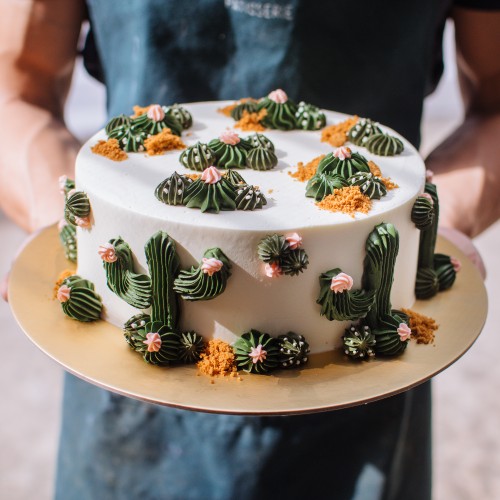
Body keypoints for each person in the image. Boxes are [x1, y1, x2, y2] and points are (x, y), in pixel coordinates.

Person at [0, 1, 499, 498]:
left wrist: (440, 216)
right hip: (131, 380)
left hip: (367, 371)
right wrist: (62, 214)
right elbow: (15, 88)